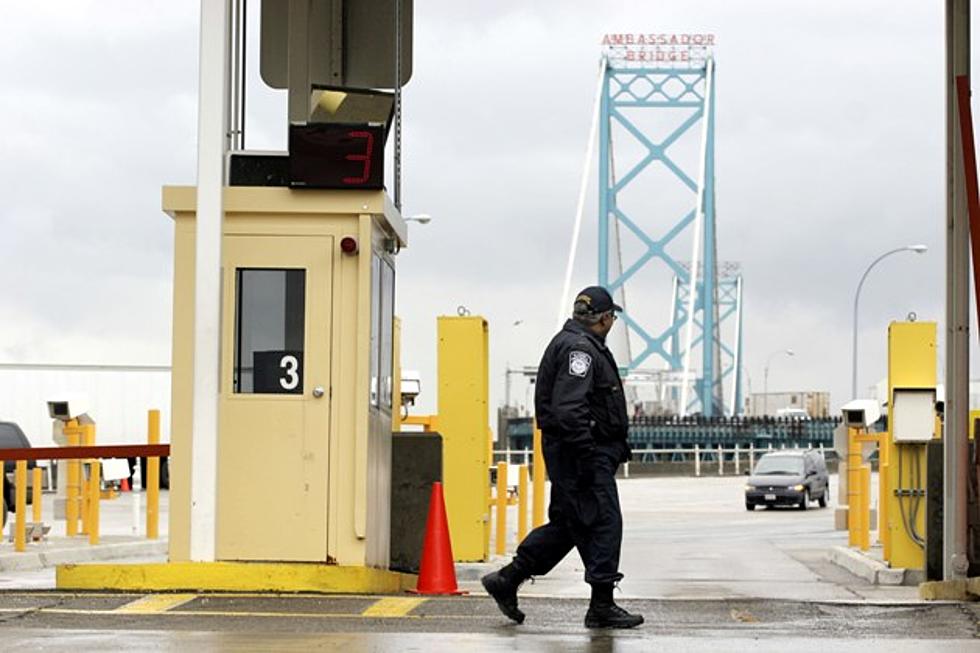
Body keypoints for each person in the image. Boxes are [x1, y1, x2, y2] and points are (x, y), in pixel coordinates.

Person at [482, 286, 643, 629]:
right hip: (581, 457)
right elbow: (570, 410)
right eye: (611, 316)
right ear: (603, 318)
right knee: (603, 523)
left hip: (575, 455)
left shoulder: (576, 343)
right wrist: (588, 455)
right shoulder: (579, 350)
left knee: (569, 525)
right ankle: (601, 606)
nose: (612, 321)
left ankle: (508, 579)